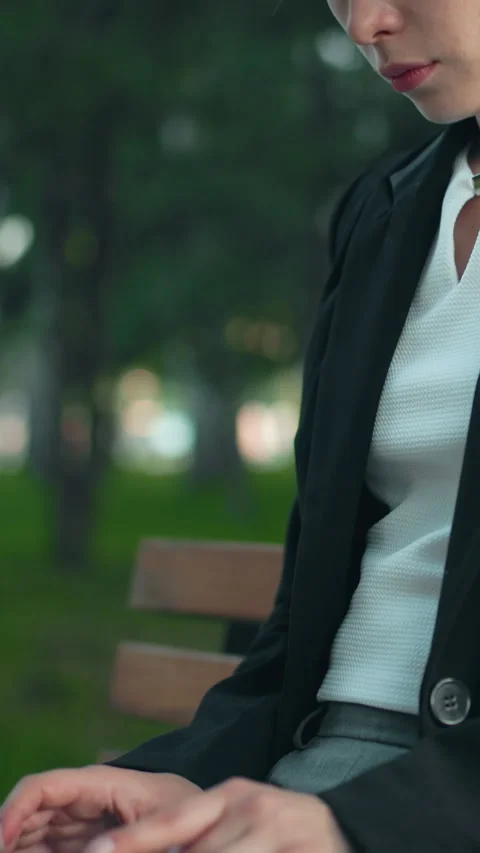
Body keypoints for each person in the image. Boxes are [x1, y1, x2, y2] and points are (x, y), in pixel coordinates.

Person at [3, 0, 480, 850]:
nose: (364, 23)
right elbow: (301, 621)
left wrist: (358, 822)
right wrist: (178, 774)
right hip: (319, 772)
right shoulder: (386, 210)